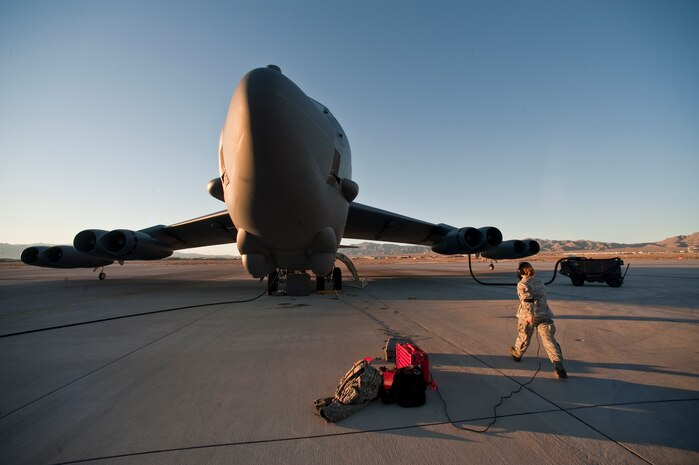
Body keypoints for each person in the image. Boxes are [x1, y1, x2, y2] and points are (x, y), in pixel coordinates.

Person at [510, 262, 567, 378]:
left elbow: (527, 301)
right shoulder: (539, 281)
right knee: (549, 340)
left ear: (520, 272)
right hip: (544, 314)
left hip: (528, 316)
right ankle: (559, 366)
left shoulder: (522, 284)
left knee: (524, 336)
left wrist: (529, 316)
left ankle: (517, 354)